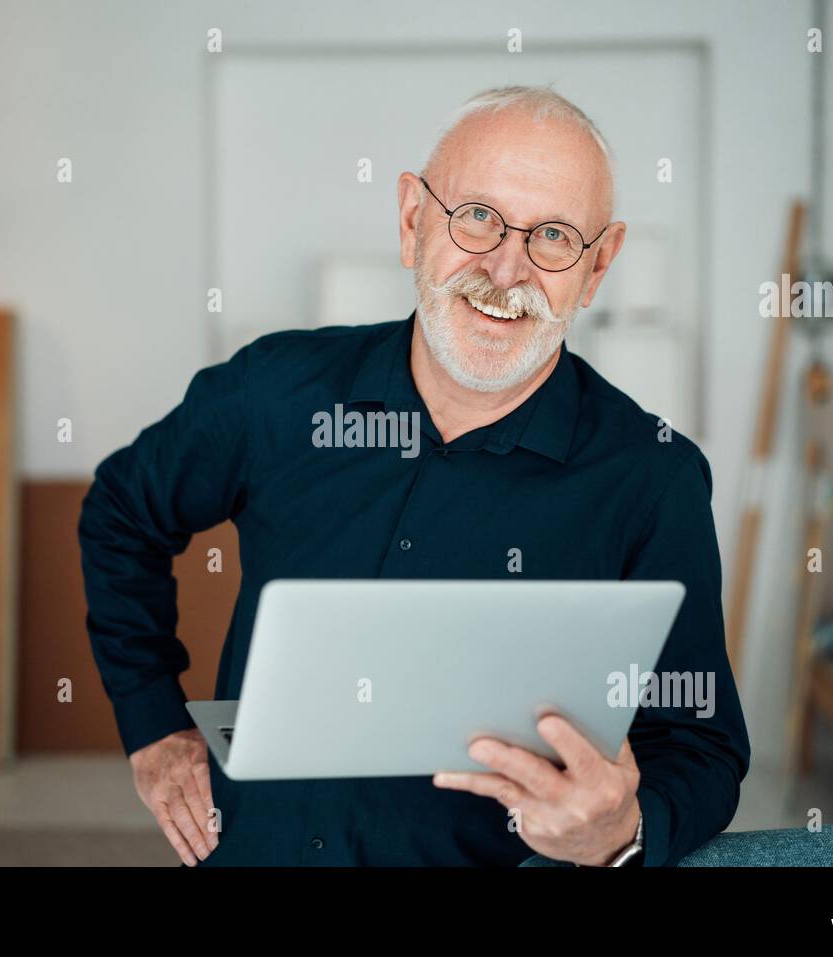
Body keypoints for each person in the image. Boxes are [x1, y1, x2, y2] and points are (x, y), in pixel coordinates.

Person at [78, 85, 749, 867]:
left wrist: (619, 835)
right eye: (478, 218)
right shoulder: (274, 393)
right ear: (412, 220)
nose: (506, 270)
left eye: (555, 236)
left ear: (596, 269)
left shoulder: (651, 477)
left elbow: (699, 747)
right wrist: (153, 723)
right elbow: (122, 511)